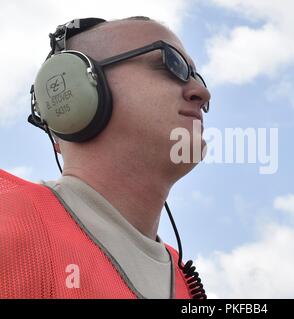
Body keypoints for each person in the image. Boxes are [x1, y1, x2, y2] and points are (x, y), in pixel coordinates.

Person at [0, 16, 211, 299]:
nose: (202, 93)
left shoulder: (185, 283)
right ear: (76, 93)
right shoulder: (10, 222)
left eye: (197, 77)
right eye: (170, 64)